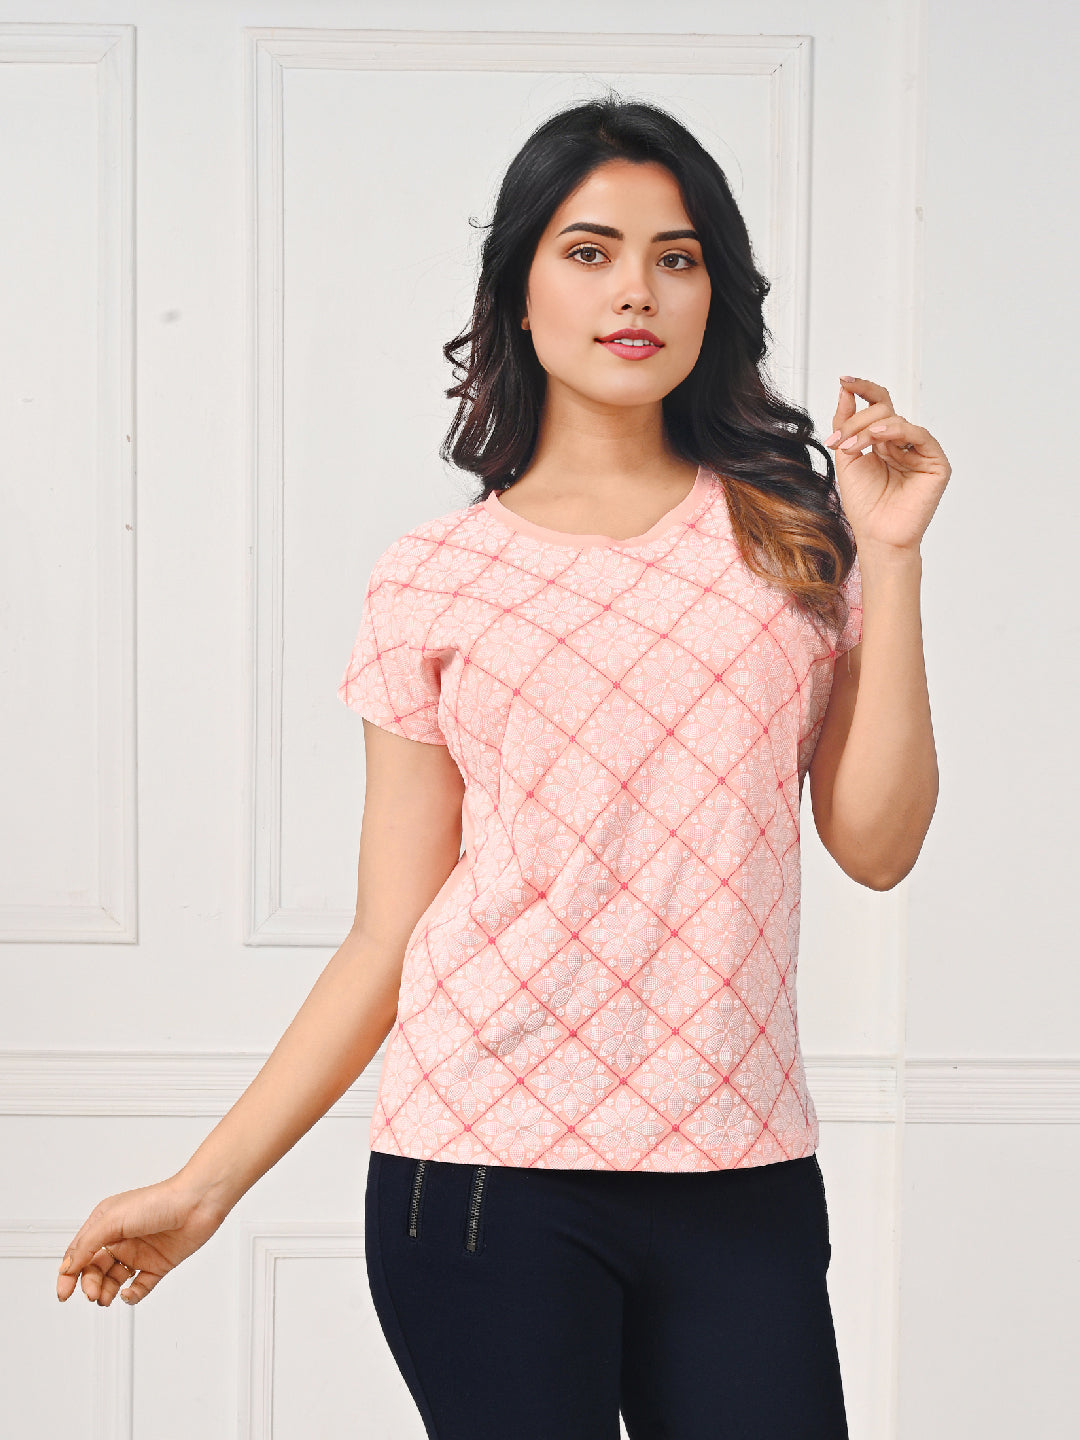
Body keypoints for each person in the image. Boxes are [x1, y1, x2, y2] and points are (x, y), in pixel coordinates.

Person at [54, 98, 948, 1439]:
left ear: (715, 294)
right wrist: (206, 1184)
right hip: (483, 1177)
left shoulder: (797, 543)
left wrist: (893, 554)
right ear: (519, 295)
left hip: (743, 1168)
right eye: (589, 252)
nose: (636, 289)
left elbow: (876, 846)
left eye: (677, 256)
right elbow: (388, 932)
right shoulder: (433, 577)